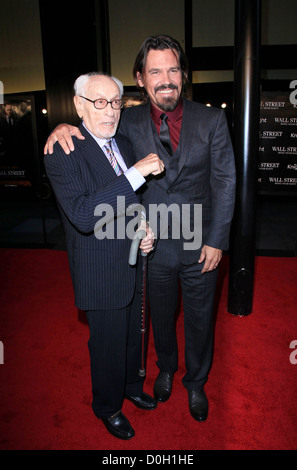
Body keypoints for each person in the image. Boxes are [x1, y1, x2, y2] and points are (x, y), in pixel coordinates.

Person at [44, 35, 236, 422]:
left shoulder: (212, 118)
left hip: (201, 243)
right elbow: (92, 137)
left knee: (201, 319)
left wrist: (217, 240)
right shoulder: (124, 121)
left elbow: (225, 181)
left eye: (173, 69)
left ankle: (196, 382)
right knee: (159, 318)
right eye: (155, 71)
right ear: (141, 79)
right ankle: (165, 369)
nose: (166, 79)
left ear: (183, 74)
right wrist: (60, 126)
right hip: (152, 247)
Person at [44, 71, 165, 440]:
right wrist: (136, 173)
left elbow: (134, 204)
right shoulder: (62, 151)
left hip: (132, 261)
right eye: (99, 102)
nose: (110, 111)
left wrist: (145, 228)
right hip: (99, 268)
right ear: (79, 105)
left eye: (115, 102)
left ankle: (130, 386)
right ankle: (108, 406)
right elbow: (83, 215)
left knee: (131, 337)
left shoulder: (124, 142)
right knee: (107, 344)